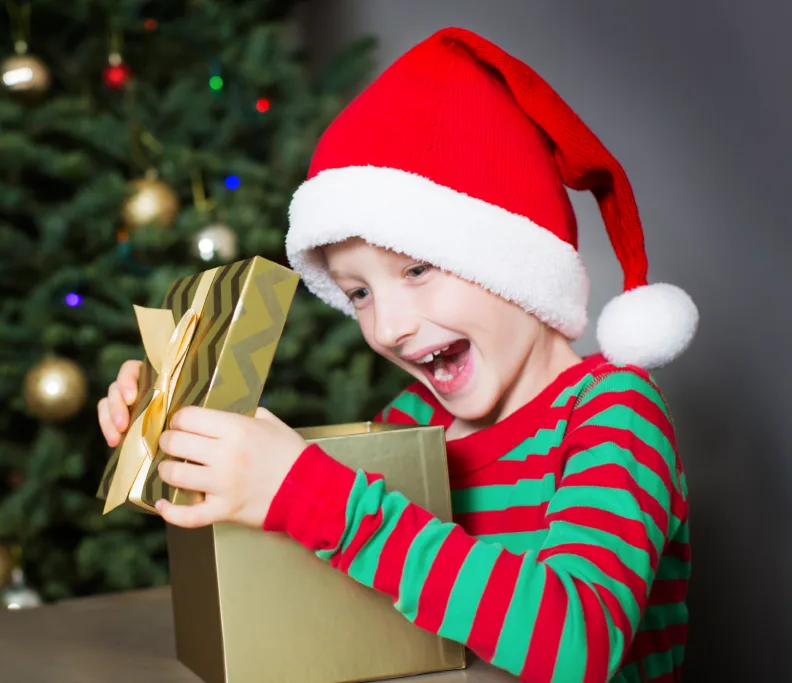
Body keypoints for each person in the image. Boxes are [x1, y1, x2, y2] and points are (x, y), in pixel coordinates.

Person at [98, 27, 696, 683]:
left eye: (416, 270)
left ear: (511, 265)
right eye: (358, 293)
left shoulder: (614, 414)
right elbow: (328, 555)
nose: (389, 326)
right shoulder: (413, 418)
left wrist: (301, 488)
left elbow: (575, 640)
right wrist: (187, 446)